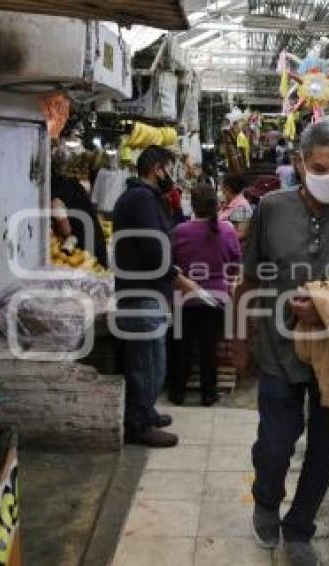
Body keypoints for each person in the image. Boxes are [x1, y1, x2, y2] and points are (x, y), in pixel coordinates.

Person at [232, 123, 329, 566]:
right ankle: (266, 498)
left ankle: (300, 527)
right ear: (300, 164)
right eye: (320, 168)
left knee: (326, 453)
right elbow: (248, 279)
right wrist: (238, 340)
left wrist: (326, 305)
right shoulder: (271, 208)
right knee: (275, 446)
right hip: (278, 349)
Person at [112, 145, 201, 448]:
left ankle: (145, 411)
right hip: (142, 294)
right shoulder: (141, 199)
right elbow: (152, 250)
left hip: (144, 292)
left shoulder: (144, 199)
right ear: (157, 168)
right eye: (170, 168)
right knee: (147, 363)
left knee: (150, 359)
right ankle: (139, 424)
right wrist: (178, 278)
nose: (173, 175)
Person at [170, 184, 242, 406]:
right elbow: (235, 263)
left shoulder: (180, 231)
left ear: (193, 205)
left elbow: (171, 264)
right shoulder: (228, 230)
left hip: (185, 296)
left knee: (182, 345)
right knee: (208, 347)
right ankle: (208, 394)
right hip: (216, 298)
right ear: (216, 205)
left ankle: (177, 393)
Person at [50, 146, 108, 268]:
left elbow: (66, 228)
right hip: (98, 242)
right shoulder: (74, 183)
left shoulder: (56, 194)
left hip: (86, 253)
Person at [218, 174, 253, 241]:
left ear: (228, 189)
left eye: (222, 187)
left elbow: (241, 233)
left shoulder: (240, 206)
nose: (221, 190)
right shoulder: (230, 204)